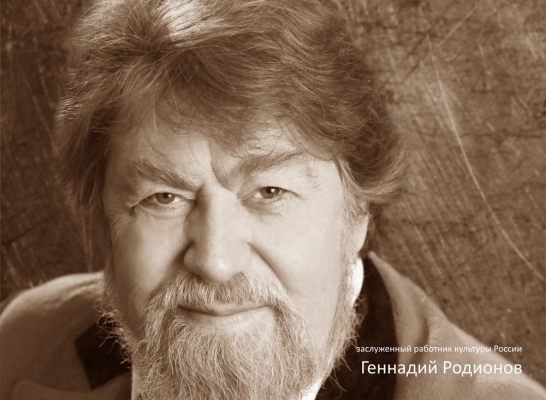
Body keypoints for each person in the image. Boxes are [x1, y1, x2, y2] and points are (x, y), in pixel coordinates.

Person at [1, 0, 545, 399]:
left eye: (270, 191)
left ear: (358, 212)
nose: (215, 262)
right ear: (102, 217)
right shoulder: (22, 344)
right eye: (164, 197)